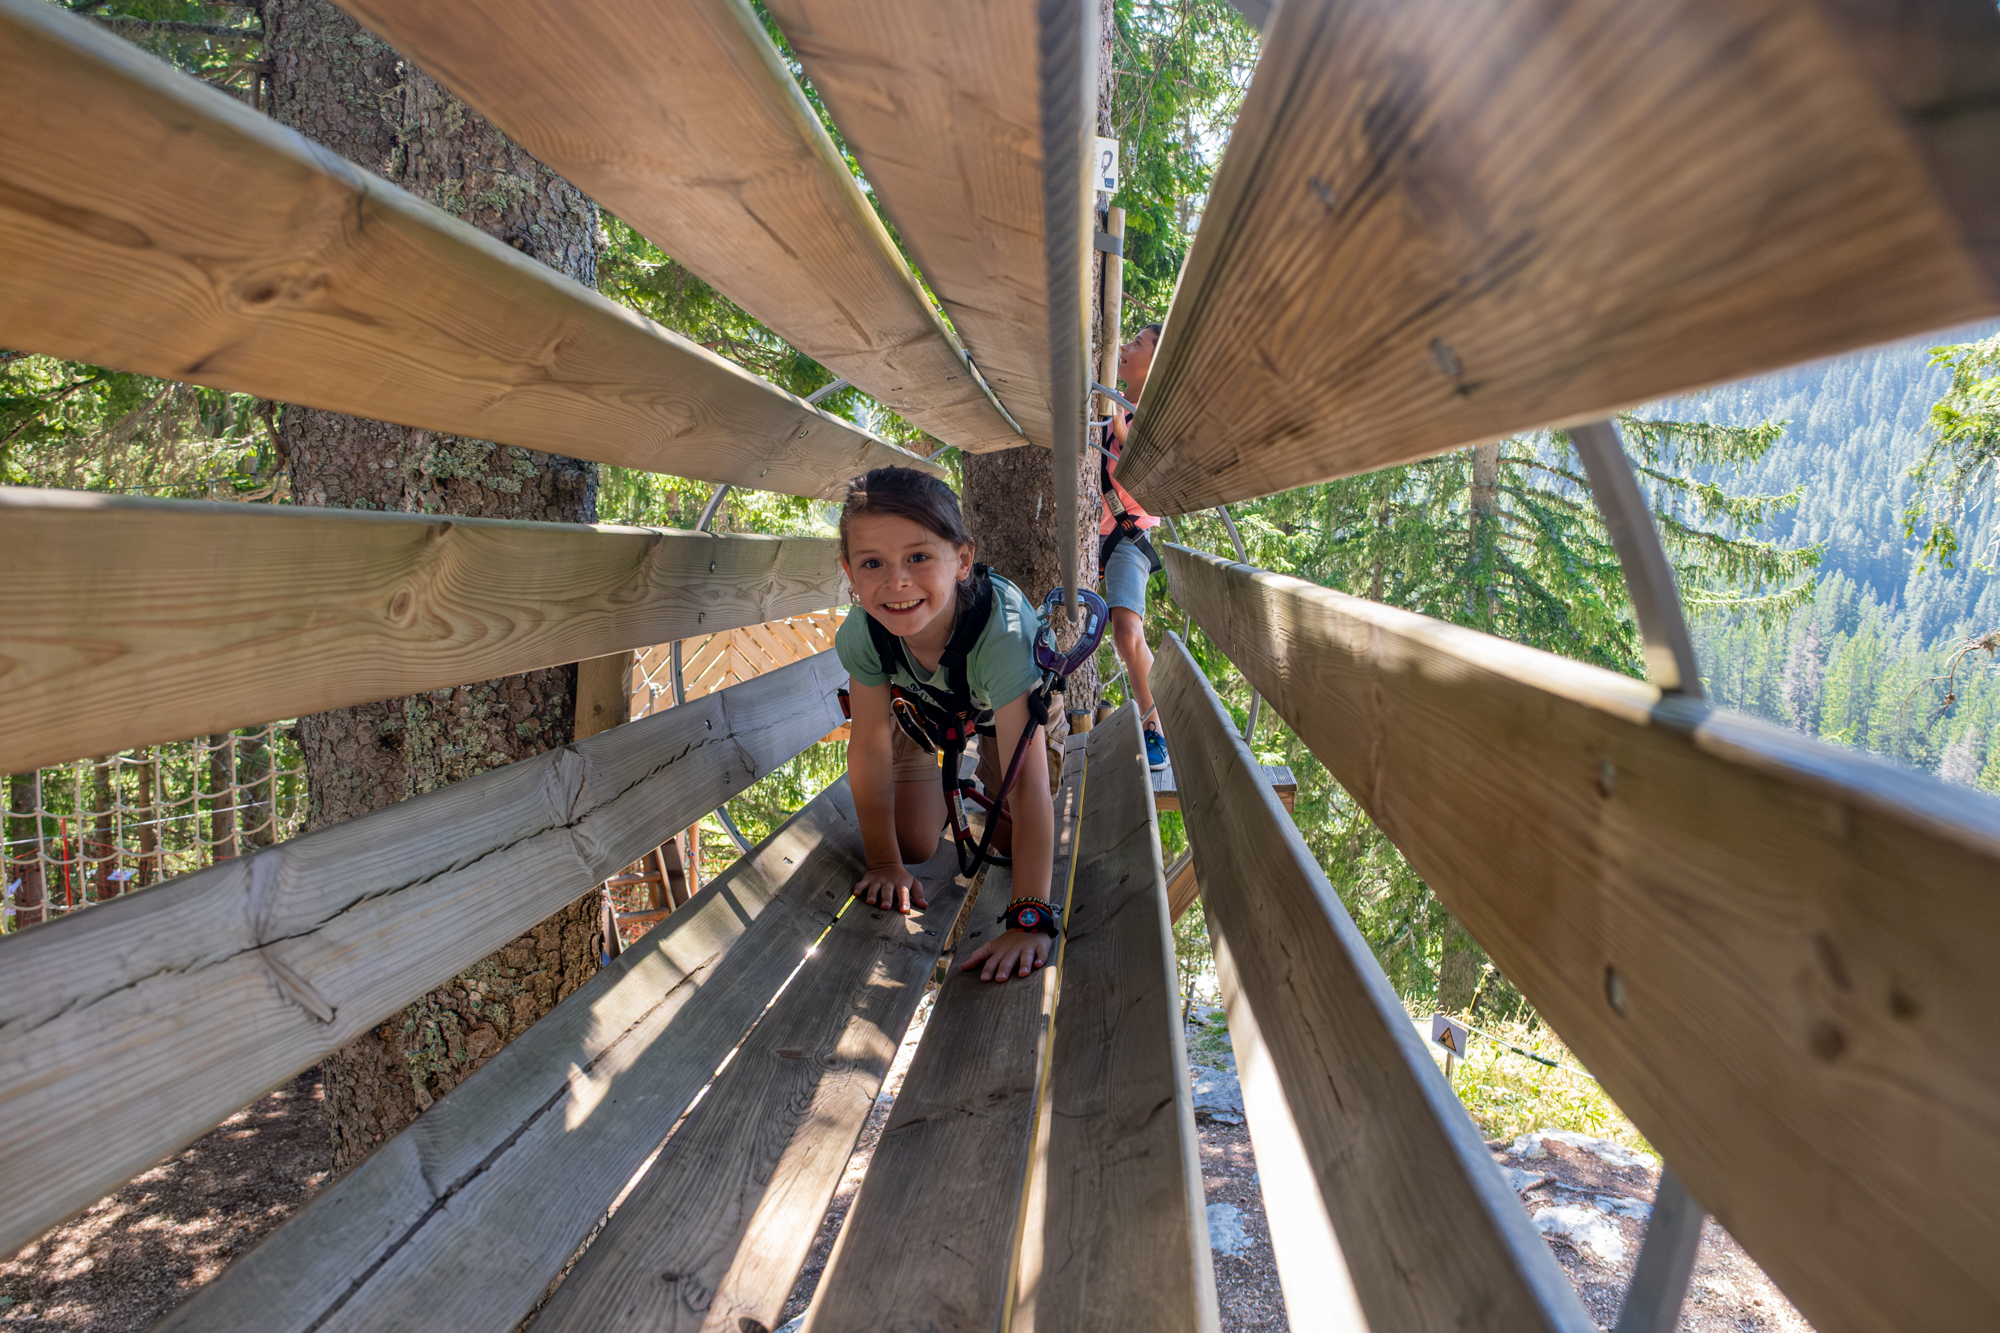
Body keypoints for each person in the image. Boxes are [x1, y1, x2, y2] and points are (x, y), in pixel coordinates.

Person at [835, 466, 1059, 983]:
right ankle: (953, 784)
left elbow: (1030, 787)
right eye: (873, 563)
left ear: (962, 559)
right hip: (919, 716)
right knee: (911, 844)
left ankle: (977, 780)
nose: (898, 581)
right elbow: (869, 749)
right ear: (850, 571)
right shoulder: (865, 634)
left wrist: (1030, 918)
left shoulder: (1003, 634)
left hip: (1008, 716)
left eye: (918, 556)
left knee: (1011, 834)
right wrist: (886, 863)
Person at [1103, 322, 1169, 770]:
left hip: (1128, 534)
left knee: (1127, 631)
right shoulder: (1106, 409)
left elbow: (1144, 468)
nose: (1125, 348)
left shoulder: (1160, 418)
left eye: (1137, 344)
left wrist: (1118, 419)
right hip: (1091, 534)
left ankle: (1154, 728)